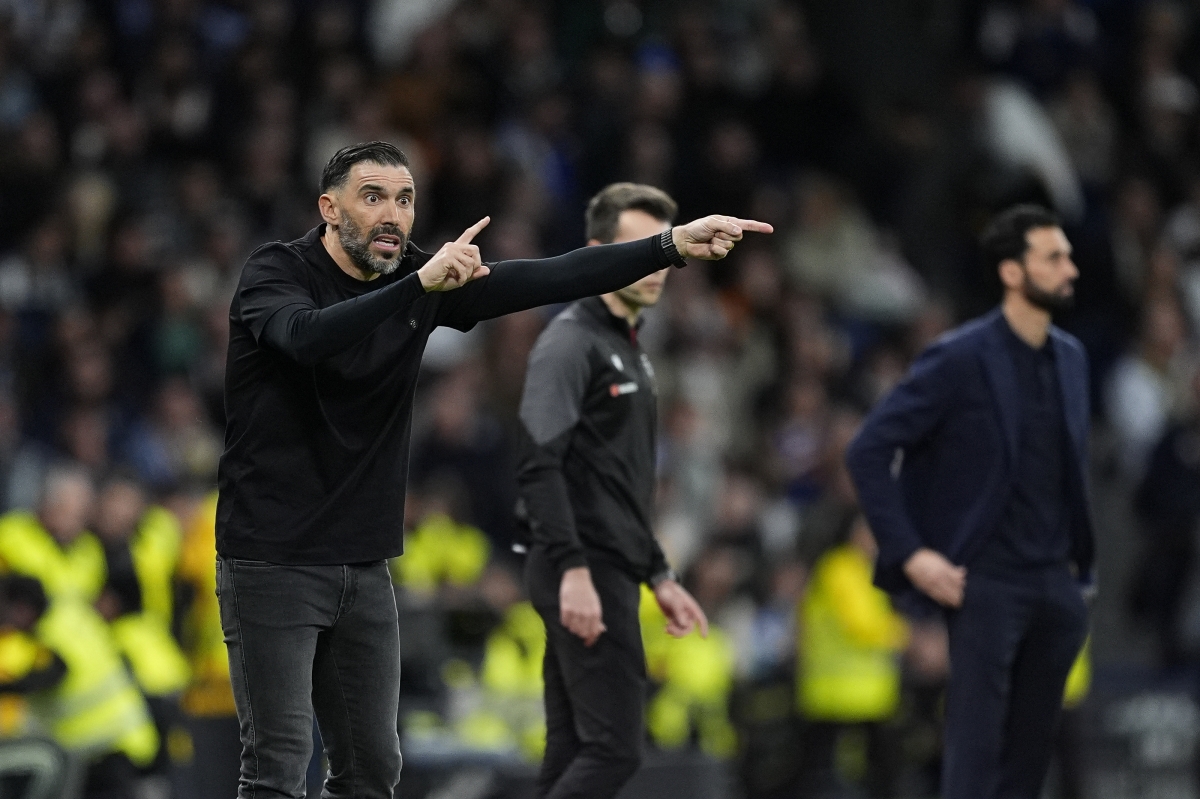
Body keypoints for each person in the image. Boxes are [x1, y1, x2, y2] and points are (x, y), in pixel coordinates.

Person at [216, 143, 771, 799]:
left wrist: (669, 245)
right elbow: (306, 338)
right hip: (273, 559)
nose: (393, 213)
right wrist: (418, 286)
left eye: (405, 198)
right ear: (329, 208)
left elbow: (547, 277)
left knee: (371, 770)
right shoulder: (276, 272)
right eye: (373, 197)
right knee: (278, 767)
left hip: (362, 565)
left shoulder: (415, 280)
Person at [845, 204, 1093, 799]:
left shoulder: (1072, 358)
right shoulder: (960, 357)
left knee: (1030, 754)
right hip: (984, 579)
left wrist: (1078, 576)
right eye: (1054, 258)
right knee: (975, 750)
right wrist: (911, 554)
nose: (1071, 269)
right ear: (1012, 272)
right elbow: (869, 450)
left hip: (1055, 581)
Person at [515, 182, 711, 799]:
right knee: (615, 751)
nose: (653, 262)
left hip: (606, 567)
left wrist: (659, 573)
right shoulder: (570, 341)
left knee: (575, 749)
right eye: (635, 247)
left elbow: (620, 483)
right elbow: (538, 466)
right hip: (583, 569)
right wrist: (573, 569)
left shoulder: (628, 348)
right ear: (597, 251)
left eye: (659, 247)